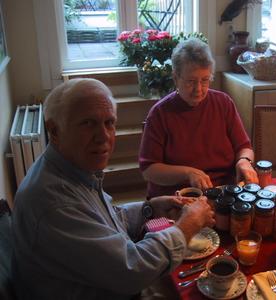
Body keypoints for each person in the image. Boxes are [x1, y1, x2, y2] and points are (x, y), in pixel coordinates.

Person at [11, 78, 215, 300]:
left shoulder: (69, 170)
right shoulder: (54, 203)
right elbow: (133, 270)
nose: (103, 137)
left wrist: (149, 208)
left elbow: (103, 223)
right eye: (88, 123)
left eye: (109, 123)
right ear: (54, 130)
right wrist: (187, 226)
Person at [139, 38, 258, 198]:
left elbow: (244, 147)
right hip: (179, 197)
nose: (199, 89)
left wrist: (244, 161)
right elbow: (149, 170)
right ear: (175, 78)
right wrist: (188, 173)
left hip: (223, 192)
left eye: (205, 80)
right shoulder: (160, 114)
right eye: (191, 82)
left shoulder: (223, 103)